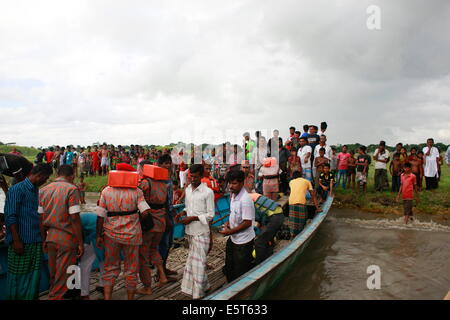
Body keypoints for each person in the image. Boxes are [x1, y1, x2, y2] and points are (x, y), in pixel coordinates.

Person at [96, 163, 152, 300]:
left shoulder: (106, 191)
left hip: (110, 235)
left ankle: (107, 297)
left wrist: (98, 235)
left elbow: (100, 215)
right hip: (132, 235)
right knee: (131, 268)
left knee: (110, 267)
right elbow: (146, 212)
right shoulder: (137, 192)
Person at [4, 163, 53, 300]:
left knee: (33, 277)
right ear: (40, 176)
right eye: (46, 178)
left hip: (35, 240)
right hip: (22, 242)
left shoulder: (36, 191)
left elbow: (37, 216)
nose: (46, 181)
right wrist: (16, 240)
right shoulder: (17, 190)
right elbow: (10, 216)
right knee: (18, 278)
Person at [39, 165, 84, 300]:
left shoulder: (43, 190)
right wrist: (80, 242)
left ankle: (53, 294)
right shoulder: (72, 189)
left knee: (54, 273)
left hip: (50, 237)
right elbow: (74, 217)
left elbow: (40, 219)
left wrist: (43, 240)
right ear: (71, 176)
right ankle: (54, 297)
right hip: (66, 237)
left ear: (57, 174)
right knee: (63, 277)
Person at [176, 164, 214, 299]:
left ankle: (198, 295)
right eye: (191, 176)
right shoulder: (187, 190)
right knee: (196, 263)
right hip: (190, 232)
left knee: (199, 264)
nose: (192, 179)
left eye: (195, 177)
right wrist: (182, 212)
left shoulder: (208, 192)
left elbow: (210, 215)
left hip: (202, 232)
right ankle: (206, 286)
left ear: (201, 176)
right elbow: (189, 207)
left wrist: (193, 218)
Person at [137, 161, 171, 294]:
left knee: (143, 255)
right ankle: (162, 275)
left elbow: (137, 197)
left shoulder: (146, 183)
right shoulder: (164, 184)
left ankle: (147, 287)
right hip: (161, 222)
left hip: (149, 223)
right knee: (153, 249)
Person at [220, 170, 255, 283]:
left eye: (234, 183)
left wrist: (229, 232)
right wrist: (228, 223)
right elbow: (233, 213)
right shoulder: (233, 195)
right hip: (233, 239)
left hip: (243, 242)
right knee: (229, 267)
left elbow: (247, 223)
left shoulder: (245, 200)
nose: (231, 186)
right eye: (230, 183)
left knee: (241, 271)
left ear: (241, 183)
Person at [251, 192, 284, 265]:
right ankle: (268, 258)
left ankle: (259, 265)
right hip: (279, 215)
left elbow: (261, 218)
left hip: (274, 217)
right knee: (268, 238)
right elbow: (262, 216)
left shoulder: (247, 200)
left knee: (259, 242)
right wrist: (258, 227)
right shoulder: (254, 195)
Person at [79, 212, 105, 300]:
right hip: (102, 231)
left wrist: (80, 247)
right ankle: (103, 286)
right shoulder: (82, 216)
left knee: (85, 264)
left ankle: (84, 293)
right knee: (103, 261)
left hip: (94, 233)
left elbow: (80, 236)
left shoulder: (74, 220)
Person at [288, 171, 320, 236]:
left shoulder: (291, 182)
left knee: (293, 222)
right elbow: (313, 196)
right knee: (302, 220)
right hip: (301, 202)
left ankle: (293, 234)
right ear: (301, 175)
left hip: (291, 202)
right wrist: (317, 208)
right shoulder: (307, 181)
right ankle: (301, 233)